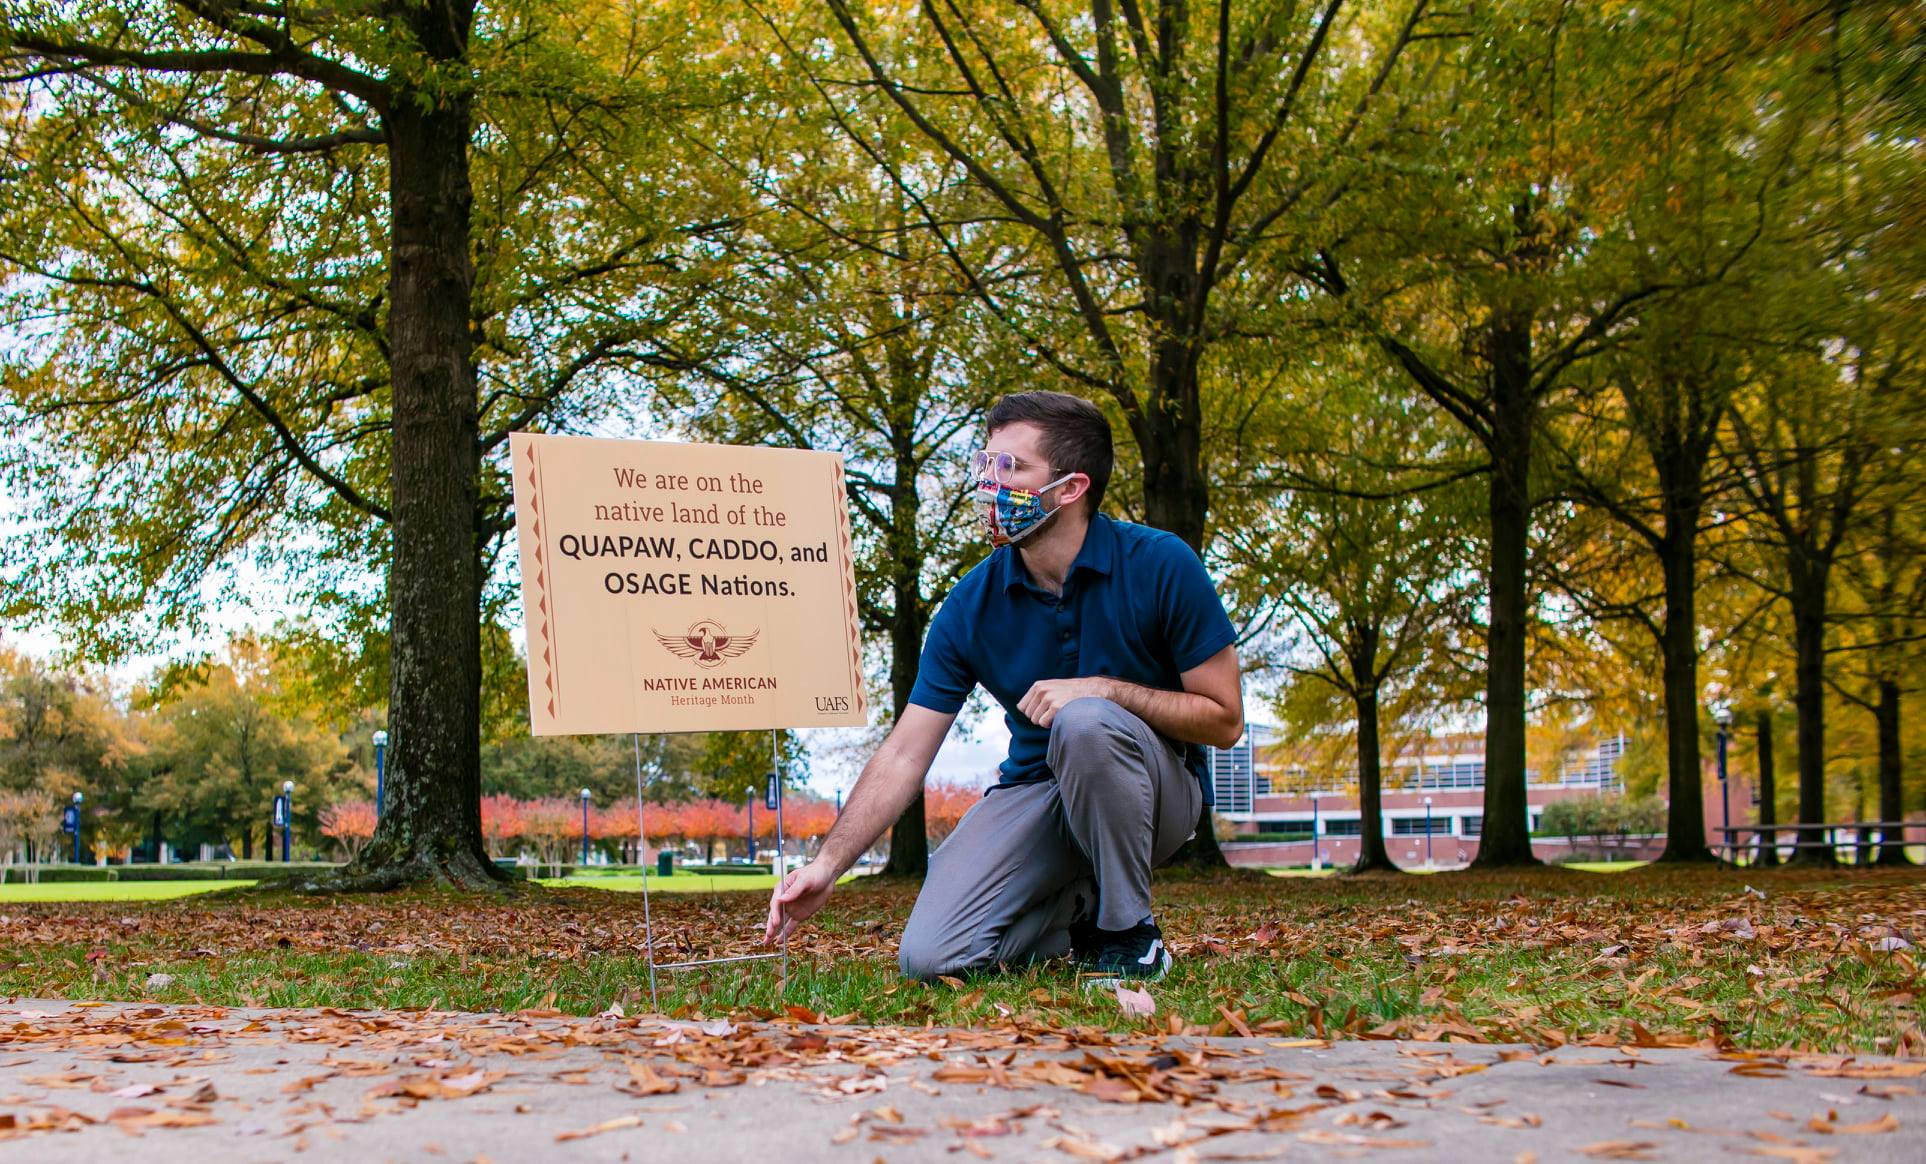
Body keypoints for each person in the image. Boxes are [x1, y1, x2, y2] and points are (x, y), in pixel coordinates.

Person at [764, 391, 1242, 983]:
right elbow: (905, 753)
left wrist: (1104, 691)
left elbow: (1225, 720)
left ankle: (1129, 933)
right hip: (1038, 793)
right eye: (985, 465)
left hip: (1154, 793)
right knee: (931, 958)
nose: (989, 484)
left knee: (1086, 720)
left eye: (1010, 468)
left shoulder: (1162, 563)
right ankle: (1080, 913)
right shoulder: (971, 603)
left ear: (1071, 488)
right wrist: (828, 864)